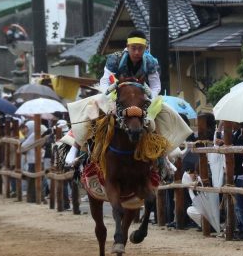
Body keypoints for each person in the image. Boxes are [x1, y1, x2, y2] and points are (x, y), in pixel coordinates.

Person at [64, 29, 190, 173]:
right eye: (134, 48)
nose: (137, 52)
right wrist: (109, 94)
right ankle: (76, 148)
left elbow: (156, 85)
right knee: (92, 109)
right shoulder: (115, 59)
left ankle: (164, 157)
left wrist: (151, 97)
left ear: (145, 48)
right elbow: (105, 80)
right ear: (127, 47)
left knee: (160, 113)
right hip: (116, 92)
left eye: (140, 48)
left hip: (141, 93)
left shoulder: (150, 61)